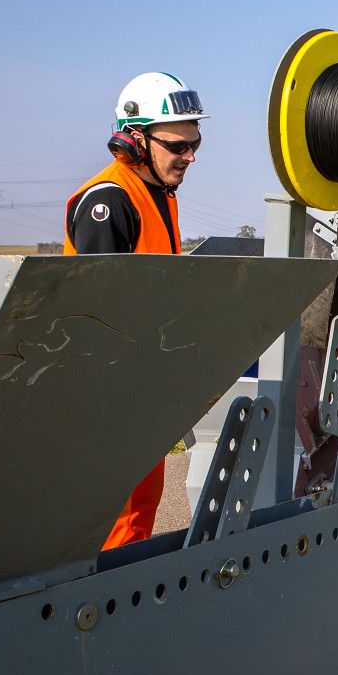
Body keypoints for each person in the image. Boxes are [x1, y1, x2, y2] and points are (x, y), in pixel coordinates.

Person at [63, 72, 208, 549]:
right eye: (177, 146)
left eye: (195, 144)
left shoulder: (159, 196)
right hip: (112, 399)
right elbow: (101, 317)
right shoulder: (110, 201)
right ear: (135, 138)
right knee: (117, 527)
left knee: (141, 514)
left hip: (142, 389)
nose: (189, 157)